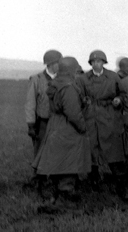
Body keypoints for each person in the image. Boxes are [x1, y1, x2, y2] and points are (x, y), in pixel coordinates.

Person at [32, 56, 91, 205]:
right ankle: (66, 191)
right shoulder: (68, 86)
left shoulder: (56, 83)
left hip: (55, 124)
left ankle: (55, 190)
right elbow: (72, 112)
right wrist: (83, 127)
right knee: (70, 159)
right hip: (67, 127)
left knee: (57, 159)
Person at [77, 49, 126, 190]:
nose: (96, 64)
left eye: (99, 61)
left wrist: (118, 100)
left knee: (113, 148)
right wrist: (84, 101)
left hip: (109, 115)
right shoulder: (83, 78)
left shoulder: (113, 77)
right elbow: (79, 96)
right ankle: (94, 180)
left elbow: (123, 93)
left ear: (104, 62)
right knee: (92, 147)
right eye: (93, 62)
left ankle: (121, 183)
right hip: (91, 116)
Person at [25, 49, 61, 158]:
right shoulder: (36, 79)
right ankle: (39, 175)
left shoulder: (62, 79)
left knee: (58, 151)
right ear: (50, 64)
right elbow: (30, 103)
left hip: (60, 122)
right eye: (58, 63)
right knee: (41, 152)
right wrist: (30, 124)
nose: (60, 65)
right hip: (42, 123)